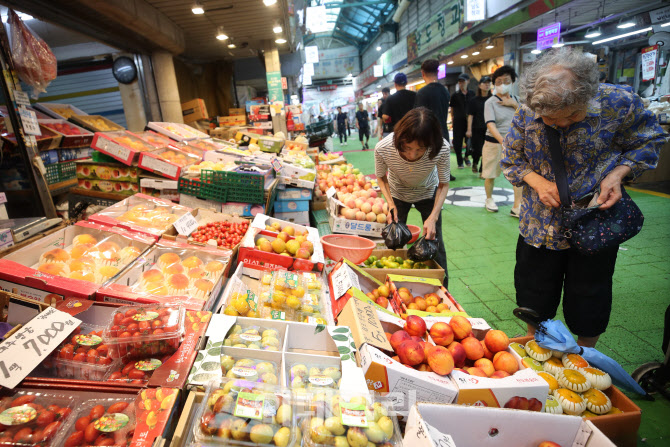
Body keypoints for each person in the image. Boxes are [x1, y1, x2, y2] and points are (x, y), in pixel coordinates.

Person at [501, 47, 665, 348]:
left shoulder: (620, 102)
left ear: (589, 96)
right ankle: (534, 345)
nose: (562, 124)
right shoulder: (528, 110)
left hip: (596, 222)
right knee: (534, 292)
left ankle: (586, 354)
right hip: (541, 224)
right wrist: (537, 182)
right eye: (551, 121)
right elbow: (511, 158)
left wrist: (619, 174)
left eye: (573, 116)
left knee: (591, 293)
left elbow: (650, 139)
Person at [375, 107, 451, 287]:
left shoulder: (441, 148)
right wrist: (390, 204)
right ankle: (392, 285)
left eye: (420, 149)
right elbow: (381, 177)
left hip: (428, 191)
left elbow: (443, 184)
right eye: (407, 148)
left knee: (434, 239)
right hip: (398, 193)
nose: (412, 155)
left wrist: (433, 217)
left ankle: (443, 288)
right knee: (393, 242)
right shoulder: (384, 148)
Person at [481, 65, 521, 215]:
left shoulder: (518, 100)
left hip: (516, 144)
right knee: (490, 173)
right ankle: (489, 198)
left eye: (506, 81)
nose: (502, 84)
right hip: (494, 143)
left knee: (518, 175)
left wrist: (514, 105)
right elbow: (490, 125)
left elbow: (525, 118)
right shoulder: (490, 102)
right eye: (498, 82)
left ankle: (517, 205)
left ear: (513, 81)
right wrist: (503, 141)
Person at [415, 59, 455, 182]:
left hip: (428, 135)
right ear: (437, 72)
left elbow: (418, 117)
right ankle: (446, 175)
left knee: (429, 167)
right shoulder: (444, 91)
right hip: (443, 132)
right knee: (443, 163)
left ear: (422, 73)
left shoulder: (422, 93)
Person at [466, 75, 492, 174]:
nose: (487, 85)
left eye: (488, 83)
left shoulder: (493, 99)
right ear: (480, 85)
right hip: (476, 128)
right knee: (477, 150)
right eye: (484, 83)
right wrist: (469, 130)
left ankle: (482, 170)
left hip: (489, 129)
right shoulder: (474, 100)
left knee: (486, 151)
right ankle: (475, 162)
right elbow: (470, 116)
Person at [450, 73, 475, 169]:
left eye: (463, 81)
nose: (461, 83)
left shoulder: (472, 94)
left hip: (470, 122)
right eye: (460, 82)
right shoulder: (455, 95)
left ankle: (466, 156)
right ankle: (459, 161)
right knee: (457, 143)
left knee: (470, 142)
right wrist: (453, 119)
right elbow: (452, 109)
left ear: (468, 81)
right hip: (458, 122)